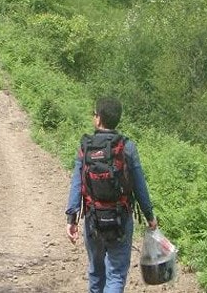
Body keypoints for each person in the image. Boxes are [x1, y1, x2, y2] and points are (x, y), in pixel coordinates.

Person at [65, 96, 158, 293]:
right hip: (120, 219)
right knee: (115, 274)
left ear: (98, 119)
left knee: (96, 273)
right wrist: (149, 216)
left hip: (92, 218)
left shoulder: (86, 147)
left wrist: (71, 218)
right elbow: (140, 185)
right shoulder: (127, 146)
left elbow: (76, 182)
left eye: (94, 114)